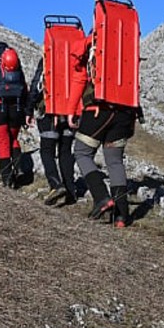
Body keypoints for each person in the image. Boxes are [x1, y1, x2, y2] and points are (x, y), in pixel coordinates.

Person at [66, 32, 138, 227]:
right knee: (115, 161)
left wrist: (71, 110)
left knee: (81, 152)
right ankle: (122, 216)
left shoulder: (90, 45)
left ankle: (102, 197)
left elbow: (79, 78)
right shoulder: (126, 45)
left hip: (98, 109)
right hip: (125, 111)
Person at [27, 58, 78, 206]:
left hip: (49, 111)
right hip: (70, 111)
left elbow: (36, 85)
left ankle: (56, 185)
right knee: (65, 151)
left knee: (47, 150)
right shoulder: (75, 59)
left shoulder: (48, 58)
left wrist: (29, 109)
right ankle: (70, 191)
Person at [0, 42, 31, 188]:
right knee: (13, 139)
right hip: (16, 108)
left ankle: (7, 177)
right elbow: (25, 91)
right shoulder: (18, 69)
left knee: (3, 142)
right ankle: (19, 168)